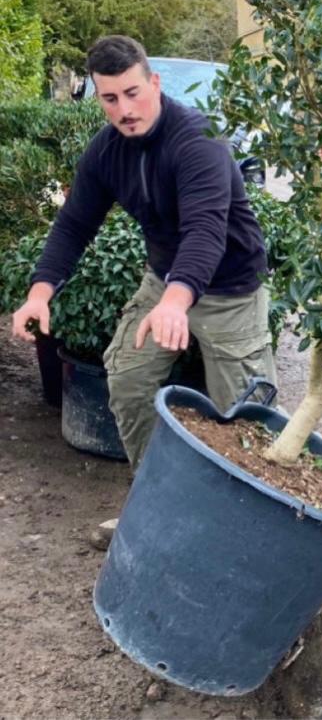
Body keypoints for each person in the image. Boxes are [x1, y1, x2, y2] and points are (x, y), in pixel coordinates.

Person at [11, 36, 277, 544]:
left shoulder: (197, 141)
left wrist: (178, 301)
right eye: (111, 99)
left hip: (230, 290)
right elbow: (73, 224)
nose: (125, 110)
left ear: (153, 83)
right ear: (99, 99)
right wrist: (40, 292)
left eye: (133, 93)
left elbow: (205, 230)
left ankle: (250, 535)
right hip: (164, 281)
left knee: (248, 416)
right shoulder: (107, 152)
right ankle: (161, 506)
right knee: (129, 381)